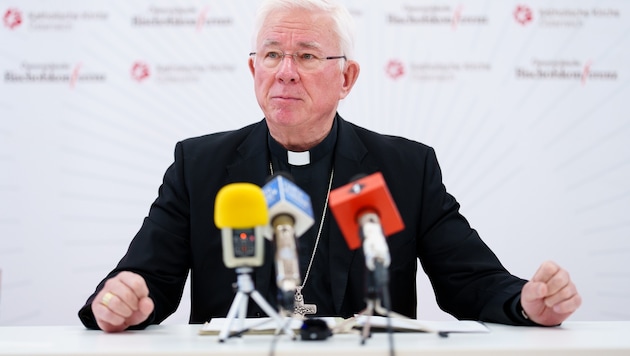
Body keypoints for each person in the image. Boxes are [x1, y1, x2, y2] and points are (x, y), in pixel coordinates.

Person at [79, 0, 581, 333]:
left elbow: (470, 281)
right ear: (254, 70)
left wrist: (526, 302)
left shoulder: (404, 168)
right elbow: (147, 280)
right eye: (272, 55)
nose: (286, 72)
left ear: (348, 78)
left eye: (308, 56)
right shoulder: (200, 166)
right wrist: (121, 301)